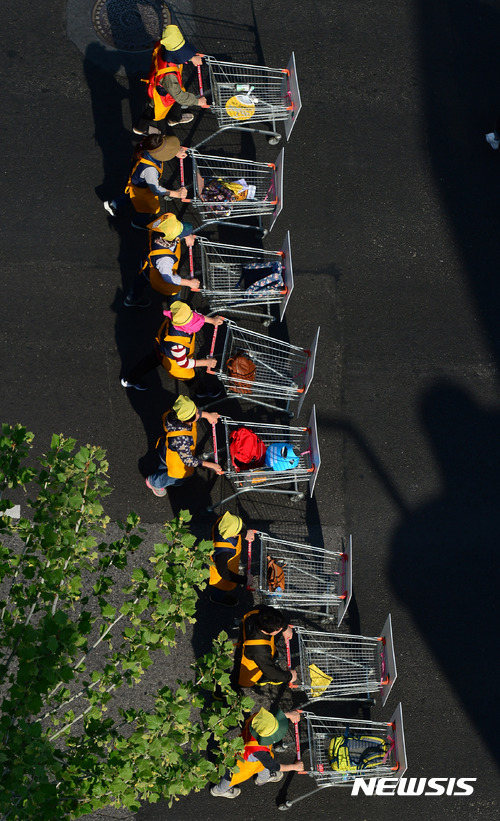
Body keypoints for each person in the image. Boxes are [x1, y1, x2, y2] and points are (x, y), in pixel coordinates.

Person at [120, 300, 223, 398]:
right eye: (192, 322)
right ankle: (201, 391)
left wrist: (211, 320)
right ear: (184, 326)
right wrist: (206, 362)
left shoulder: (179, 317)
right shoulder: (176, 345)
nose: (195, 321)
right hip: (175, 361)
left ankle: (130, 379)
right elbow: (184, 363)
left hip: (161, 348)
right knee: (189, 376)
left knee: (148, 363)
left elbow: (194, 316)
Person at [210, 707, 304, 799]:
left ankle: (263, 778)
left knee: (261, 764)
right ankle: (219, 790)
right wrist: (294, 767)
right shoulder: (259, 750)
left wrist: (290, 715)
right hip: (244, 764)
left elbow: (270, 719)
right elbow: (273, 766)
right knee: (232, 776)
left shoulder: (258, 720)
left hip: (248, 753)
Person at [133, 24, 207, 135]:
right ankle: (140, 128)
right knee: (153, 110)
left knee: (178, 97)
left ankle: (174, 118)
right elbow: (178, 95)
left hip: (165, 86)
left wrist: (191, 57)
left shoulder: (163, 46)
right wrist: (197, 101)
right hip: (162, 94)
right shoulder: (169, 76)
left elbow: (178, 53)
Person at [103, 135, 187, 229]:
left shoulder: (149, 145)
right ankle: (139, 222)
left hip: (136, 181)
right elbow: (156, 189)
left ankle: (114, 204)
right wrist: (177, 194)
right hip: (142, 189)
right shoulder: (150, 170)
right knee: (147, 208)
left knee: (131, 195)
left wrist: (175, 151)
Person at [146, 395, 222, 496]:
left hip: (166, 450)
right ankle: (155, 482)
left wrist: (208, 415)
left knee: (164, 465)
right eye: (196, 414)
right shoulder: (181, 439)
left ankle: (162, 473)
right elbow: (188, 460)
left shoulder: (175, 414)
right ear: (186, 421)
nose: (198, 413)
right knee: (182, 475)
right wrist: (210, 465)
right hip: (177, 459)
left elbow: (194, 413)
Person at [123, 213, 200, 308]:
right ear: (175, 238)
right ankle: (174, 304)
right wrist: (189, 283)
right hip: (155, 271)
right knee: (174, 288)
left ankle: (132, 298)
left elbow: (175, 229)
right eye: (181, 233)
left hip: (148, 260)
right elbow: (168, 277)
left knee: (140, 281)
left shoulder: (161, 230)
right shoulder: (165, 260)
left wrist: (188, 235)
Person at [234, 605, 297, 689]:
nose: (280, 629)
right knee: (235, 680)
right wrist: (289, 676)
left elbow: (273, 615)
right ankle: (221, 694)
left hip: (248, 645)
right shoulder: (259, 650)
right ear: (272, 631)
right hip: (247, 667)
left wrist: (285, 627)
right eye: (279, 629)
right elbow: (270, 672)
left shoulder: (258, 612)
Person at [208, 512, 256, 607]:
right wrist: (245, 580)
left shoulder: (223, 521)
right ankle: (217, 598)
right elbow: (224, 573)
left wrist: (244, 534)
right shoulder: (223, 551)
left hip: (226, 564)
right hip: (220, 576)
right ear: (233, 535)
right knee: (220, 589)